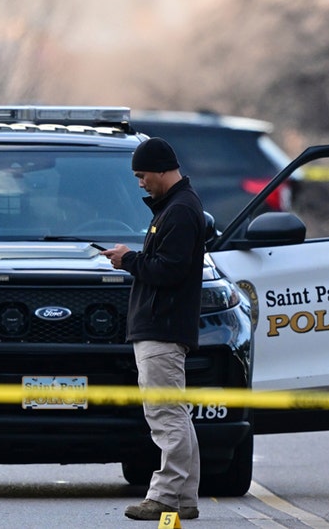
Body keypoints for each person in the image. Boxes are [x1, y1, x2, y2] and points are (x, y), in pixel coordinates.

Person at [99, 137, 206, 522]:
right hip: (164, 326)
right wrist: (133, 259)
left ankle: (163, 495)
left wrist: (129, 260)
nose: (140, 183)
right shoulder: (177, 207)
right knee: (175, 412)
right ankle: (185, 497)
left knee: (165, 415)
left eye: (142, 176)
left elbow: (169, 270)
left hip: (161, 328)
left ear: (161, 169)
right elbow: (165, 263)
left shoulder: (179, 211)